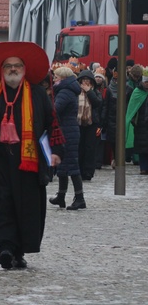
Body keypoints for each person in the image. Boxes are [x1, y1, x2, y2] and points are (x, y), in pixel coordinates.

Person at [0, 42, 64, 270]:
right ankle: (5, 247)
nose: (13, 70)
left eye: (17, 66)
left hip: (28, 164)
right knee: (1, 204)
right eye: (8, 66)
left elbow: (53, 125)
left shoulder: (39, 94)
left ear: (24, 69)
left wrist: (56, 153)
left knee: (26, 208)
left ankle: (19, 251)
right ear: (2, 70)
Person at [48, 65, 86, 211]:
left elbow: (55, 110)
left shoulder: (64, 91)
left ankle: (79, 198)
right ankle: (61, 196)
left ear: (62, 78)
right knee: (63, 165)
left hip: (67, 131)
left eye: (56, 77)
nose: (54, 80)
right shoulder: (68, 90)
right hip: (68, 130)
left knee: (72, 165)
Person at [76, 69, 102, 181]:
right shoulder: (76, 91)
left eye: (88, 79)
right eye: (84, 79)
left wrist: (89, 91)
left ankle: (88, 172)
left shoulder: (95, 91)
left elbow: (97, 103)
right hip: (78, 123)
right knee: (79, 147)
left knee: (90, 148)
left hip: (92, 123)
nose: (86, 81)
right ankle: (79, 171)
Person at [126, 65, 148, 175]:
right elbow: (132, 108)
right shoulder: (137, 92)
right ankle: (143, 168)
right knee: (142, 148)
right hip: (141, 124)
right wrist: (133, 121)